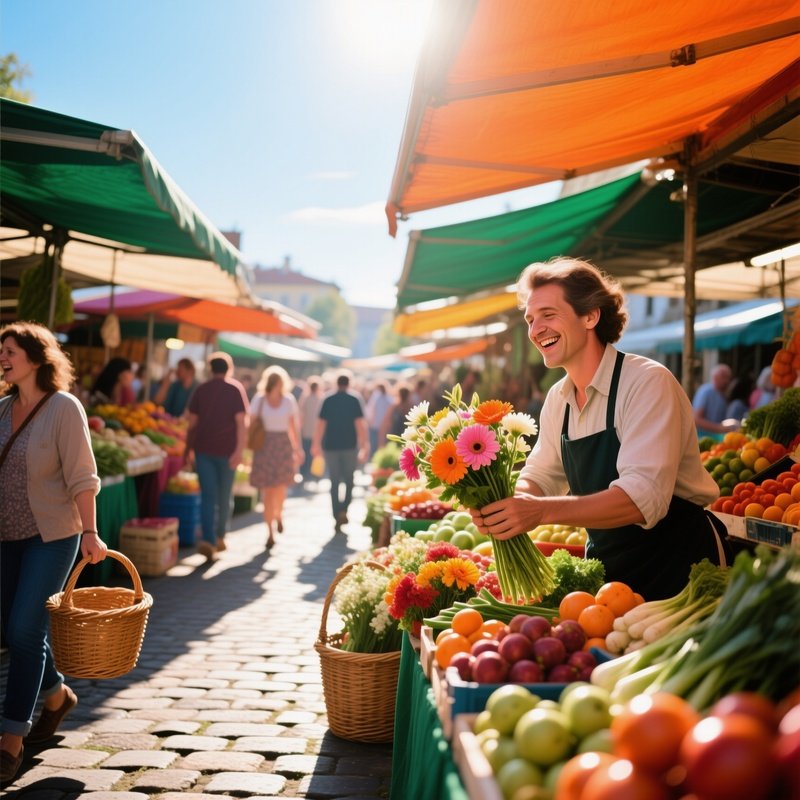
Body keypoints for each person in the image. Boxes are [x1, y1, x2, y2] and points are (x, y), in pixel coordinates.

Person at [470, 257, 730, 601]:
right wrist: (507, 504)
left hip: (681, 570)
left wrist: (541, 510)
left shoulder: (647, 383)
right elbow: (542, 474)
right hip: (609, 577)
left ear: (590, 315)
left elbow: (642, 499)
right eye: (531, 320)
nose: (535, 330)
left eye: (549, 315)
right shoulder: (558, 398)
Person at [0, 322, 107, 784]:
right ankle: (57, 695)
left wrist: (91, 531)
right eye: (1, 351)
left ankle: (10, 739)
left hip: (52, 536)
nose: (2, 357)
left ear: (36, 358)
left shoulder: (64, 407)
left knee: (25, 629)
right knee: (14, 627)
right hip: (6, 535)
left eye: (10, 350)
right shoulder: (2, 409)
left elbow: (83, 475)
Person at [185, 352, 248, 561]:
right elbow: (241, 424)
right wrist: (239, 451)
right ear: (228, 369)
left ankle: (210, 540)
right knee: (224, 496)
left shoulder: (201, 389)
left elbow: (191, 423)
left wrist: (188, 449)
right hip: (228, 452)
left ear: (211, 369)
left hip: (204, 450)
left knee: (208, 496)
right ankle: (219, 536)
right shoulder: (235, 389)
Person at [248, 366, 303, 550]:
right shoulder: (259, 399)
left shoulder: (288, 400)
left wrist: (298, 449)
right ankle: (269, 532)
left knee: (280, 487)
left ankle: (278, 514)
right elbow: (251, 423)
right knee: (267, 491)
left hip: (282, 446)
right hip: (264, 445)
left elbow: (294, 426)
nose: (280, 385)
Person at [312, 373, 369, 531]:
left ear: (336, 383)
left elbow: (321, 424)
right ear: (349, 383)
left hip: (331, 447)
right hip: (350, 446)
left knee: (334, 481)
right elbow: (360, 424)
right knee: (349, 480)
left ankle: (336, 513)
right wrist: (365, 445)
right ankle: (344, 509)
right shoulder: (354, 399)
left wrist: (316, 443)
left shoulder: (328, 399)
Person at [692, 364, 739, 437]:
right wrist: (719, 428)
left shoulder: (723, 394)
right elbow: (696, 419)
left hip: (716, 438)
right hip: (702, 438)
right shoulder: (706, 391)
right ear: (715, 377)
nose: (726, 381)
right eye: (723, 376)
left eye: (728, 377)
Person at [298, 377, 323, 483]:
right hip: (316, 432)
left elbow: (301, 416)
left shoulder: (305, 399)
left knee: (306, 451)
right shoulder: (320, 399)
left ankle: (304, 473)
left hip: (306, 431)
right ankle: (314, 474)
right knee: (314, 454)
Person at [364, 381, 393, 455]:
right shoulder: (389, 399)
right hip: (384, 425)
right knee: (383, 444)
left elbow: (370, 410)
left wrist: (369, 421)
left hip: (375, 425)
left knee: (374, 444)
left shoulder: (375, 397)